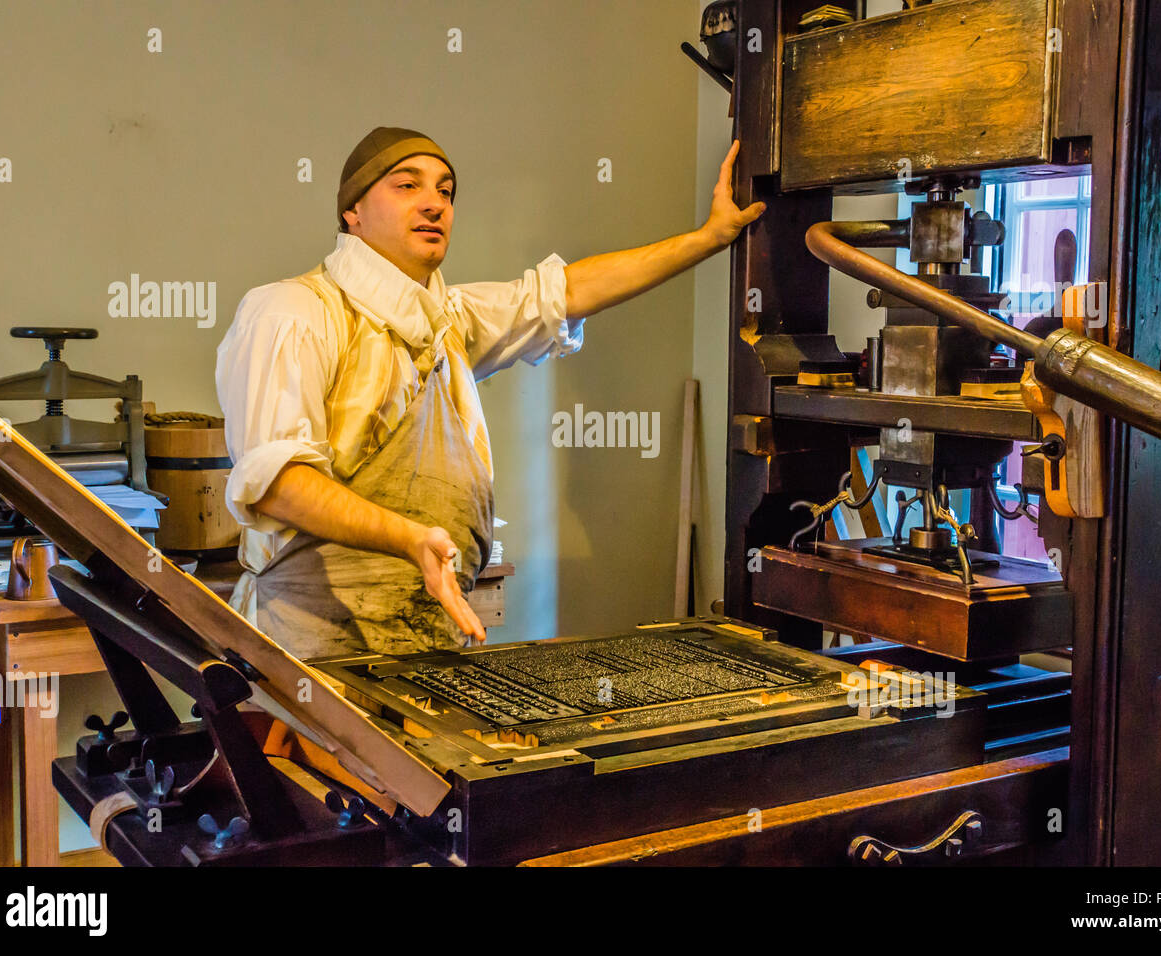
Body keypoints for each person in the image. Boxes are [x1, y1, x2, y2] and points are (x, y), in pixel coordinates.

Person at [215, 126, 765, 660]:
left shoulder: (447, 320)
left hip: (429, 640)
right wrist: (408, 539)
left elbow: (565, 292)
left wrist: (709, 237)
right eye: (407, 185)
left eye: (446, 191)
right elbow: (277, 484)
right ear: (351, 213)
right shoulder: (292, 313)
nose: (434, 204)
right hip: (311, 655)